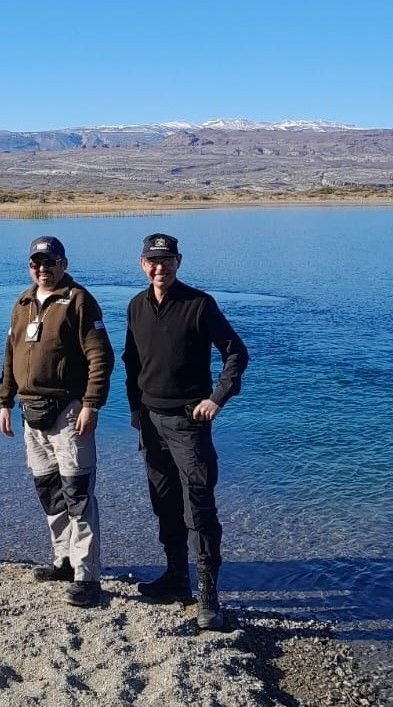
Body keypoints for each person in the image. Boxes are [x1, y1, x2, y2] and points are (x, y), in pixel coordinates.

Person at [122, 233, 249, 630]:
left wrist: (216, 398)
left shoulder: (199, 304)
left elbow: (236, 353)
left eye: (167, 260)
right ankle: (176, 578)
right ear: (142, 264)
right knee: (163, 501)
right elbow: (131, 362)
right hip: (150, 421)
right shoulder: (136, 306)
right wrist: (135, 412)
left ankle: (208, 595)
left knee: (199, 505)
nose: (159, 268)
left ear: (178, 261)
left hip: (188, 423)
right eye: (152, 261)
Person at [0, 236, 114, 608]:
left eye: (49, 262)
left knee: (77, 492)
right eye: (36, 263)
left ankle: (87, 575)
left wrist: (91, 404)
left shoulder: (79, 300)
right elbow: (10, 354)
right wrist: (4, 401)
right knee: (49, 492)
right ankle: (62, 560)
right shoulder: (22, 302)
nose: (42, 269)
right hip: (31, 413)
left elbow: (100, 357)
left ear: (63, 263)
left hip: (68, 413)